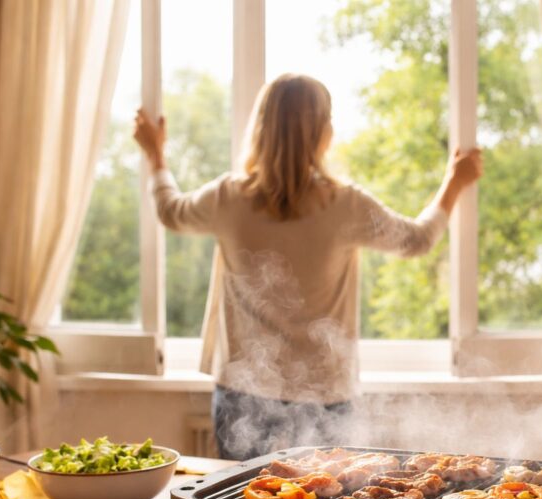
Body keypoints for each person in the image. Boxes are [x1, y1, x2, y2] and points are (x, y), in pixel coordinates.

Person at [133, 73, 482, 460]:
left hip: (243, 396)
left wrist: (156, 155)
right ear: (323, 134)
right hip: (326, 397)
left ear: (261, 129)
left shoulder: (228, 198)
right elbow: (417, 240)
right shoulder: (345, 205)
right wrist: (454, 182)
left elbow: (170, 211)